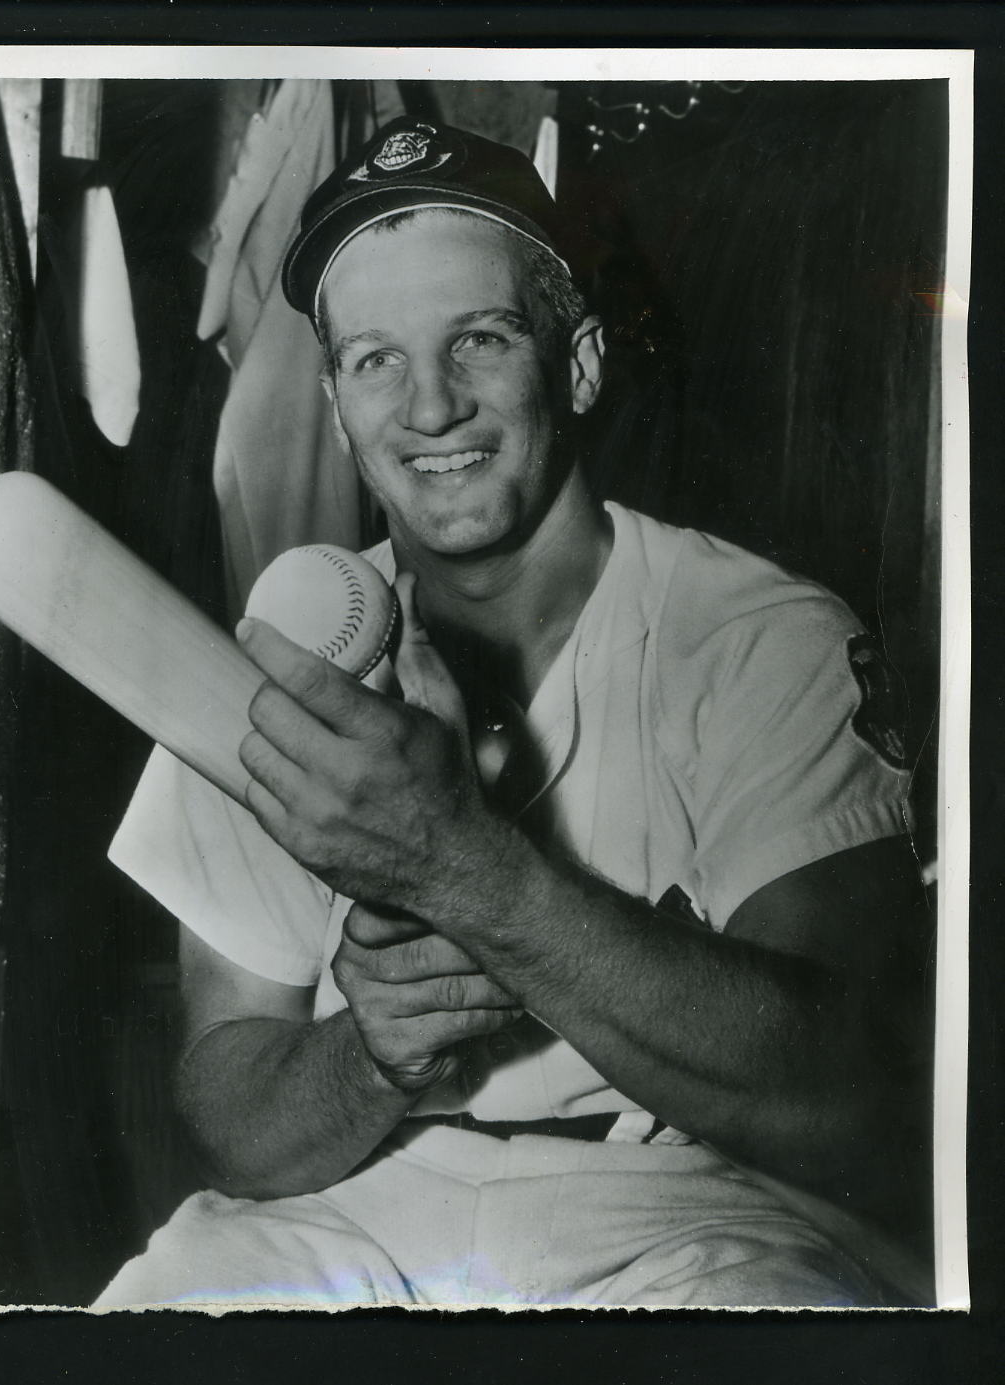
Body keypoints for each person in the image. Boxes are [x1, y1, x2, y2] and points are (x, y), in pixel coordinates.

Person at [96, 118, 932, 1309]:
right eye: (376, 359)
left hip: (697, 1208)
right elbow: (236, 1118)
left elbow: (848, 1102)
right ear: (335, 408)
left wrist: (465, 871)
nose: (429, 406)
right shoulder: (276, 671)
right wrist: (373, 1048)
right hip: (361, 1207)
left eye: (479, 339)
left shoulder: (759, 633)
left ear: (578, 363)